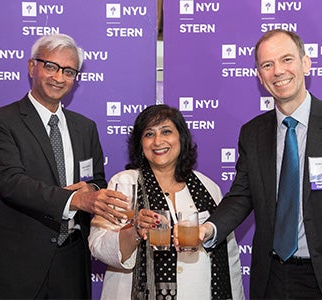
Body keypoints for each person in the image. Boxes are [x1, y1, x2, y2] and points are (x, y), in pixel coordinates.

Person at [199, 29, 322, 299]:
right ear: (259, 75)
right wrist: (208, 228)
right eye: (267, 65)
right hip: (272, 279)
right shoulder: (252, 133)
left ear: (306, 63)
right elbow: (242, 195)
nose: (278, 71)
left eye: (287, 59)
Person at [0, 33, 129, 299]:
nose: (59, 77)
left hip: (72, 264)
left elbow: (97, 180)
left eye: (68, 71)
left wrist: (90, 189)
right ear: (32, 66)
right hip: (17, 265)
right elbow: (10, 182)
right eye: (51, 66)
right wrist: (77, 200)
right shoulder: (0, 121)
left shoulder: (85, 127)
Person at [89, 104, 245, 299]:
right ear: (140, 143)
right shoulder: (124, 183)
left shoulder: (209, 188)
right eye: (149, 134)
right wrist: (134, 230)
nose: (158, 141)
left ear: (181, 137)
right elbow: (99, 247)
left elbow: (229, 254)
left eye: (166, 131)